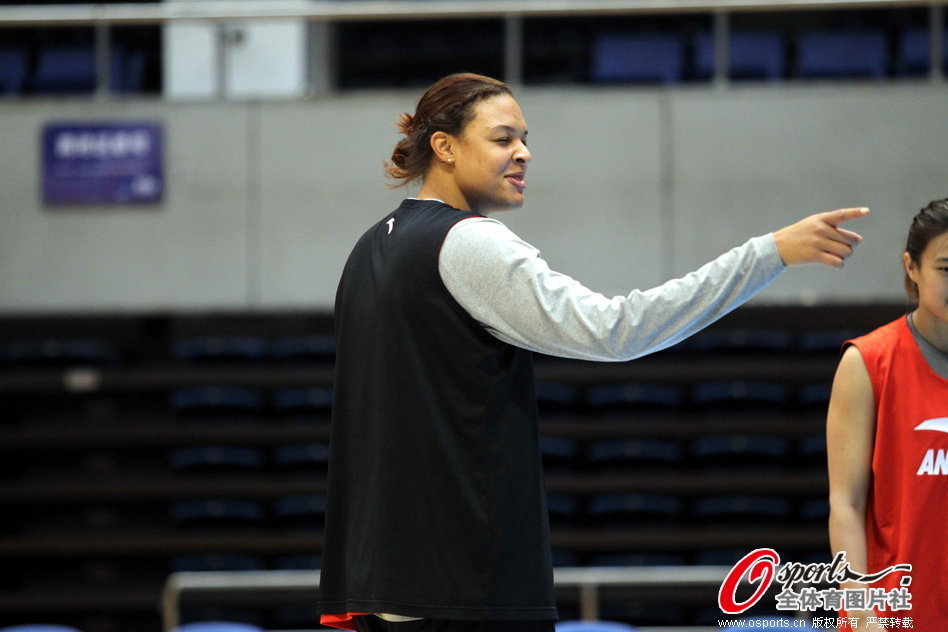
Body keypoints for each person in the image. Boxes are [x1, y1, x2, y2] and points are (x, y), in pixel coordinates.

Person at [318, 72, 869, 632]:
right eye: (503, 138)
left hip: (377, 579)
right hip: (461, 585)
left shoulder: (368, 249)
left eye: (525, 138)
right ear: (445, 146)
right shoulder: (468, 241)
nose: (524, 153)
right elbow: (617, 330)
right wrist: (769, 253)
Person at [827, 199, 948, 631]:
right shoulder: (867, 363)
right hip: (895, 618)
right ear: (911, 268)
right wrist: (861, 613)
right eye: (946, 269)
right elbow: (846, 503)